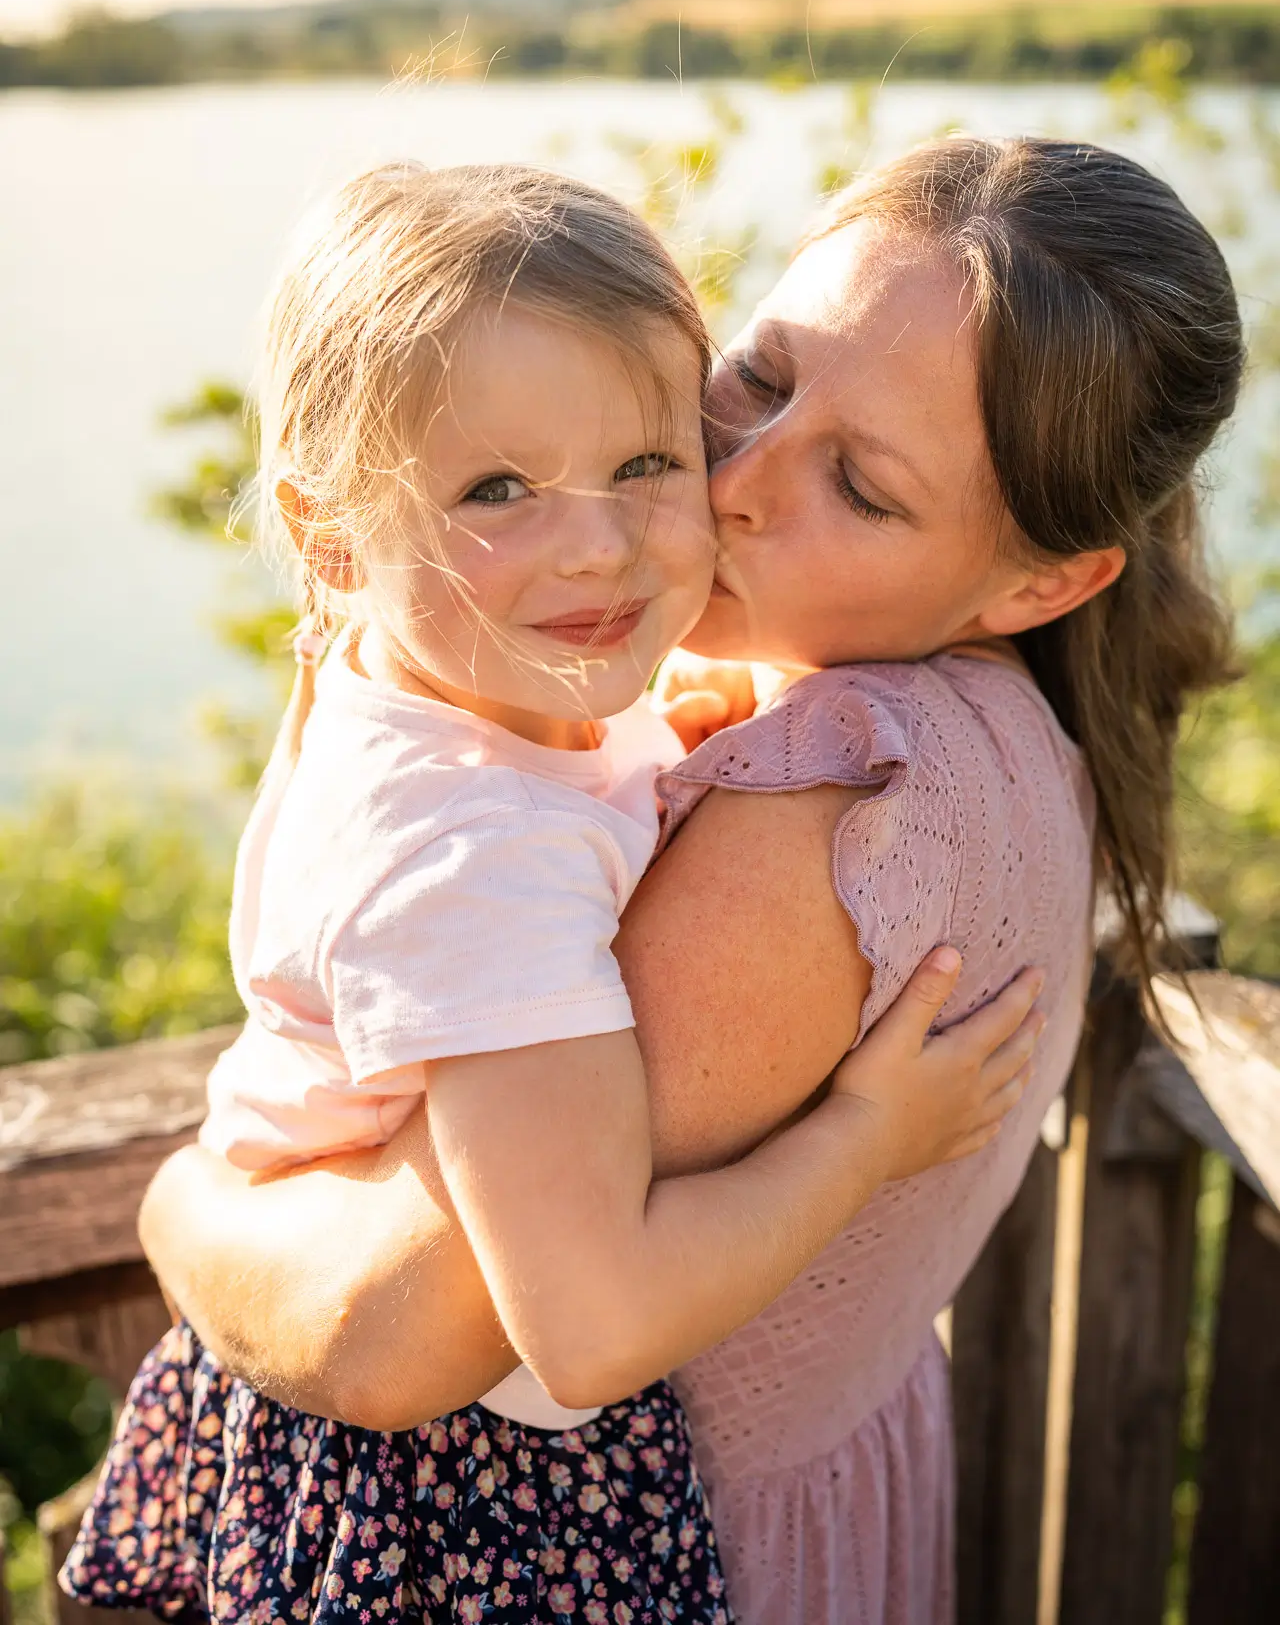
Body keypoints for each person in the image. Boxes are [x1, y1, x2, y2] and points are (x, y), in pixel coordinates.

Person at [81, 137, 1242, 1625]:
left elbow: (393, 1334)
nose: (728, 483)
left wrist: (184, 1208)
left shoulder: (840, 792)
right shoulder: (999, 735)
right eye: (757, 380)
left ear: (1040, 584)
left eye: (862, 485)